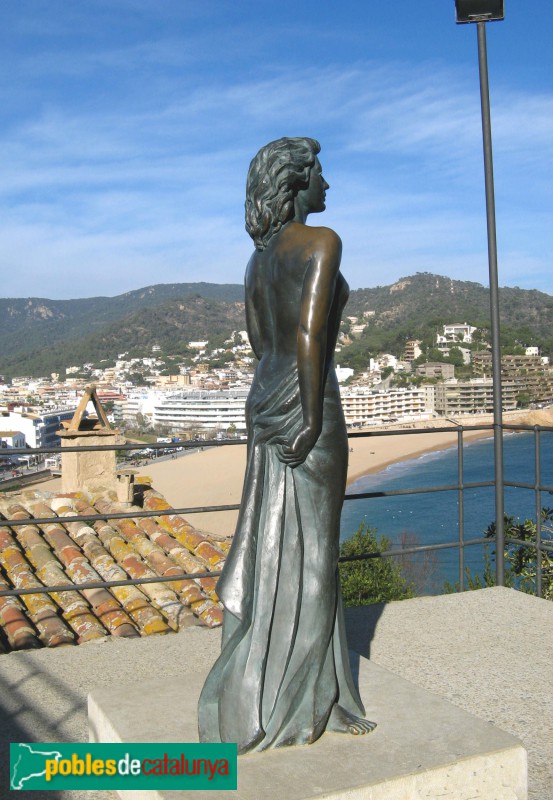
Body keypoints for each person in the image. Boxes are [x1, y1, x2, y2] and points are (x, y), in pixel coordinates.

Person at [198, 137, 375, 753]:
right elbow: (309, 332)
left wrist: (279, 404)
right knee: (317, 555)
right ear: (296, 183)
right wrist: (308, 417)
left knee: (269, 543)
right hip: (308, 403)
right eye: (320, 174)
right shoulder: (322, 242)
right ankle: (305, 705)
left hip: (264, 398)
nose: (328, 184)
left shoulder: (257, 261)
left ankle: (312, 689)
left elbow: (259, 339)